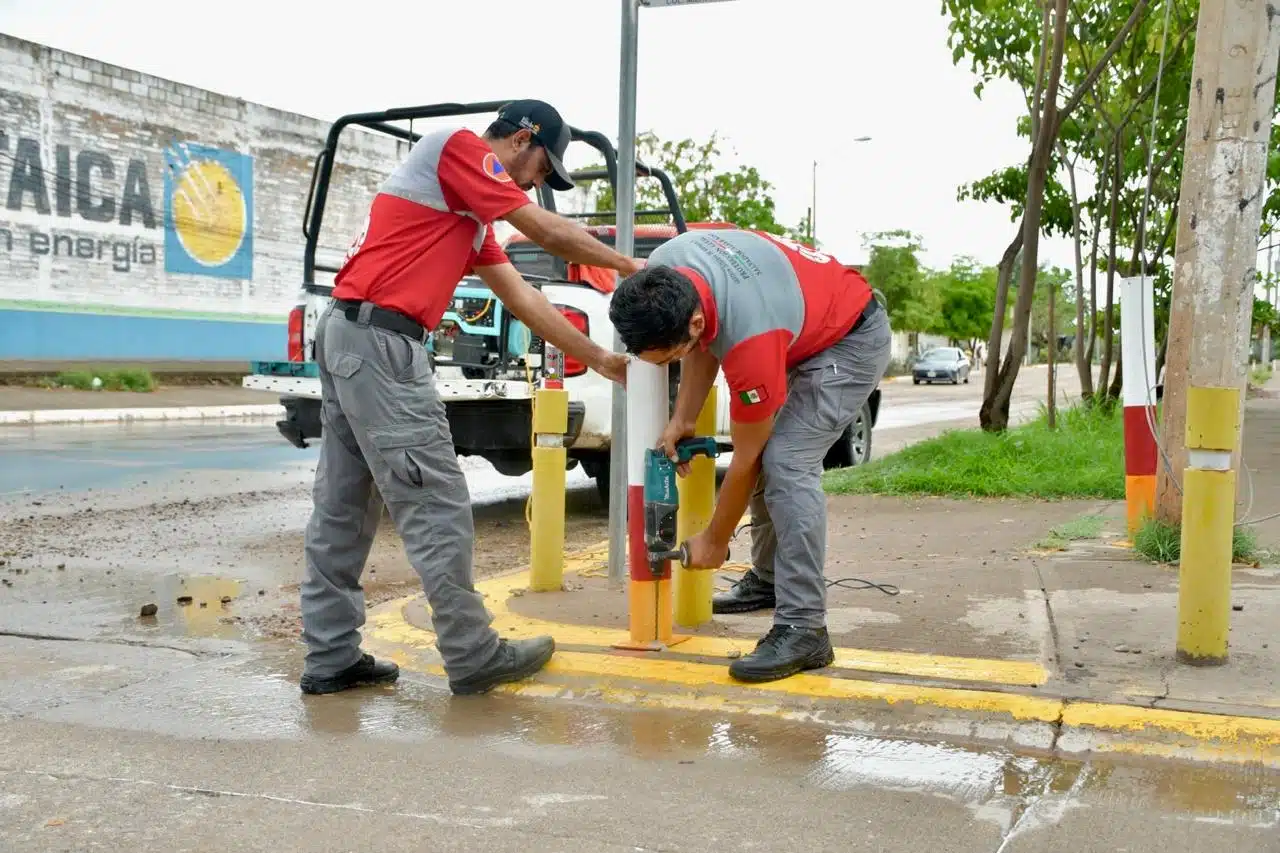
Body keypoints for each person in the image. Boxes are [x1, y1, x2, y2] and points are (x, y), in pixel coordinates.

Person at [299, 100, 639, 697]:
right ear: (522, 138)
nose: (537, 183)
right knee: (436, 503)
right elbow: (544, 229)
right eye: (542, 169)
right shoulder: (457, 147)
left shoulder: (467, 217)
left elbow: (524, 299)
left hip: (350, 333)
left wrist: (604, 362)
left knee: (344, 507)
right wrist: (624, 263)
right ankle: (472, 652)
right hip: (380, 341)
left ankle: (331, 656)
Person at [608, 228, 891, 683]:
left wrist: (716, 538)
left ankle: (805, 628)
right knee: (772, 456)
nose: (666, 368)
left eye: (667, 359)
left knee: (785, 462)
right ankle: (769, 579)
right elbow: (704, 340)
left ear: (692, 323)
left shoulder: (752, 339)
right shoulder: (668, 267)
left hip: (850, 338)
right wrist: (684, 416)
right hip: (798, 319)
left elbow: (745, 457)